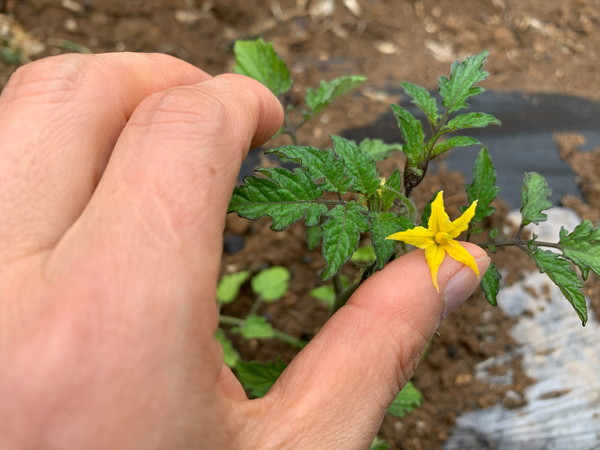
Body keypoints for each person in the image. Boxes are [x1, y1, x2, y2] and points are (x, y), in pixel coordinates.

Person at [0, 52, 490, 449]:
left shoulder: (433, 233)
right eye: (442, 234)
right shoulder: (422, 233)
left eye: (447, 234)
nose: (448, 237)